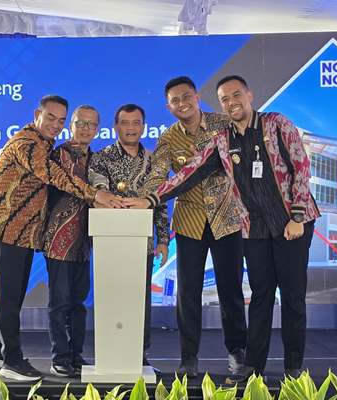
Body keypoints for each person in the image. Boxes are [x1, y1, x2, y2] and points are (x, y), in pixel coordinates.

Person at [0, 95, 123, 381]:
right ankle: (12, 361)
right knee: (9, 296)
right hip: (7, 228)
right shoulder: (28, 144)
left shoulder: (44, 143)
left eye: (60, 120)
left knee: (13, 294)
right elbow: (57, 177)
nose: (55, 125)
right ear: (37, 115)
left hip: (22, 233)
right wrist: (96, 194)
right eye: (51, 118)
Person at [124, 76, 248, 378]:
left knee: (231, 290)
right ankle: (188, 358)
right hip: (190, 221)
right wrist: (141, 200)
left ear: (197, 97)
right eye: (175, 100)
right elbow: (158, 177)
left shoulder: (223, 124)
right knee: (188, 294)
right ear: (169, 107)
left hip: (227, 219)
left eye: (187, 96)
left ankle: (237, 353)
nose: (182, 103)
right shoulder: (168, 139)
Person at [215, 75, 320, 381]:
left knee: (292, 296)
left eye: (236, 95)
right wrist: (151, 198)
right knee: (260, 296)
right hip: (255, 228)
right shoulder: (223, 139)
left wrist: (297, 216)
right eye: (224, 99)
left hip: (292, 224)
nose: (232, 102)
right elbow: (192, 169)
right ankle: (254, 366)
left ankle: (293, 366)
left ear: (249, 95)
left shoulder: (276, 123)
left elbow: (301, 167)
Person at [88, 103, 169, 373]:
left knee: (140, 300)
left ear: (143, 127)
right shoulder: (101, 158)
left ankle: (138, 355)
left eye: (136, 123)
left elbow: (160, 202)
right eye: (125, 122)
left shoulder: (154, 161)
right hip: (110, 243)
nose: (131, 128)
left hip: (141, 244)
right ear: (116, 126)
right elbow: (99, 191)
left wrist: (163, 240)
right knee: (112, 298)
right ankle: (111, 353)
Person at [42, 105, 100, 377]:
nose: (85, 129)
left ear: (97, 129)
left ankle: (76, 355)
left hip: (84, 244)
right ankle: (60, 357)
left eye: (91, 124)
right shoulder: (58, 155)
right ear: (71, 125)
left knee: (79, 302)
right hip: (58, 240)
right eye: (80, 123)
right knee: (60, 302)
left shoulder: (97, 160)